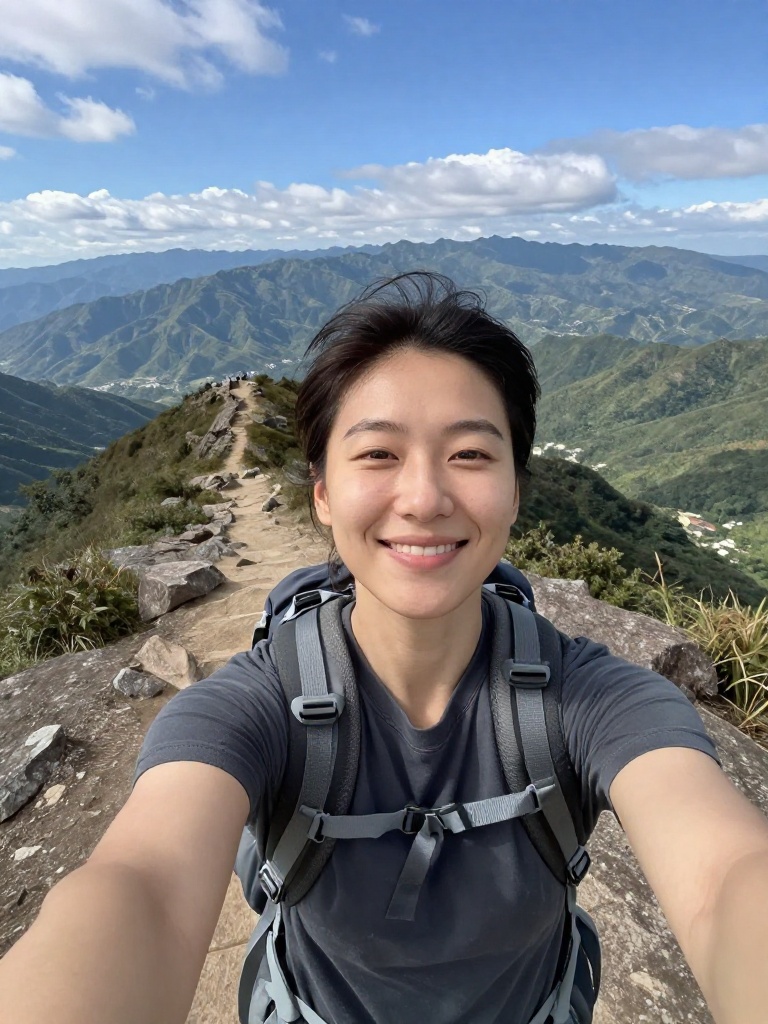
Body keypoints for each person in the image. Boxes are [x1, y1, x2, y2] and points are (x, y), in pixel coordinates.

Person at [2, 272, 768, 1024]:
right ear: (323, 493)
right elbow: (142, 890)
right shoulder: (251, 708)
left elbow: (729, 877)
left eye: (470, 454)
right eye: (377, 454)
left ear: (515, 489)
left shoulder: (599, 700)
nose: (426, 497)